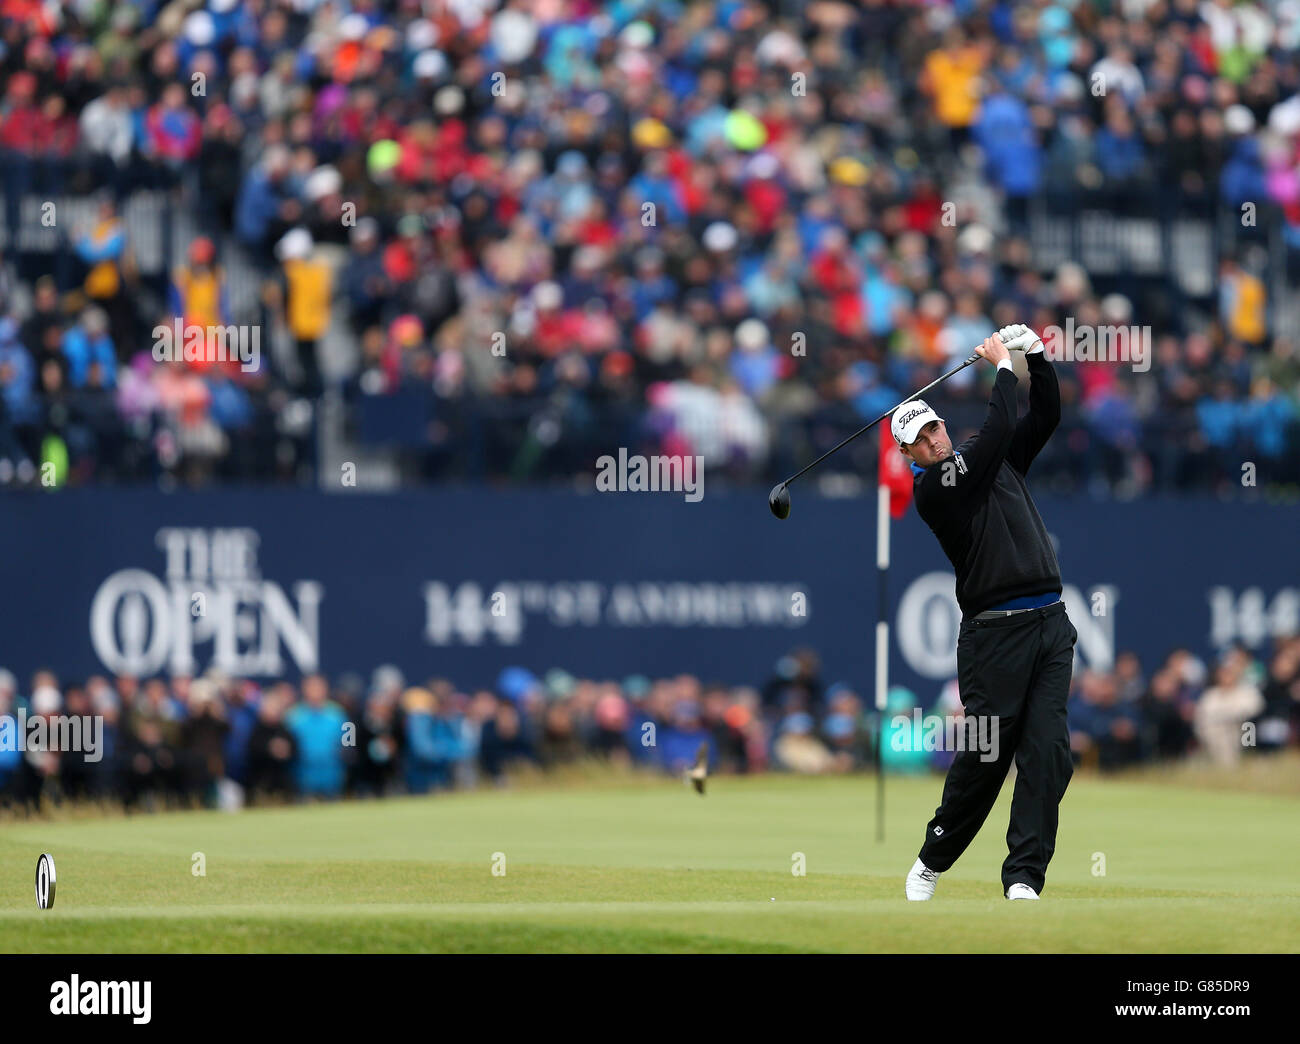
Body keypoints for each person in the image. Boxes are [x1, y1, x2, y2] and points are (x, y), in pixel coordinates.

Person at [894, 324, 1077, 901]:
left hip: (1051, 625)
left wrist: (1037, 358)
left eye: (933, 428)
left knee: (1047, 755)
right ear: (906, 454)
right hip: (994, 640)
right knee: (984, 761)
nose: (931, 441)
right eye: (919, 440)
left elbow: (1042, 416)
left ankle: (1023, 879)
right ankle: (932, 859)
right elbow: (998, 428)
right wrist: (1002, 366)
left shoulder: (995, 463)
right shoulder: (937, 489)